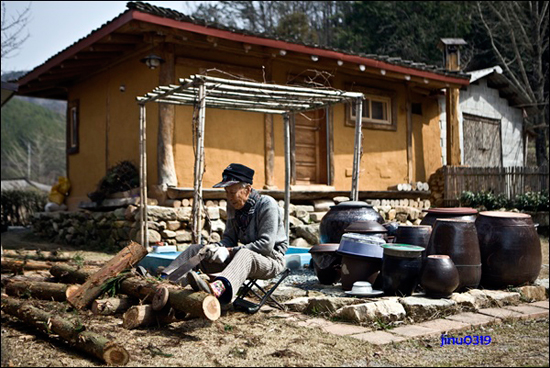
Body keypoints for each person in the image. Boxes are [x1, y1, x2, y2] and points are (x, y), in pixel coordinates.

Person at [161, 163, 289, 305]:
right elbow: (229, 239)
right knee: (197, 249)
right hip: (242, 259)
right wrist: (215, 247)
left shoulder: (267, 205)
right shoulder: (233, 206)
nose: (229, 197)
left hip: (271, 260)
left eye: (232, 192)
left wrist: (228, 252)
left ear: (247, 190)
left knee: (244, 254)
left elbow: (265, 245)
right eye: (226, 192)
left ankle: (216, 290)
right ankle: (166, 279)